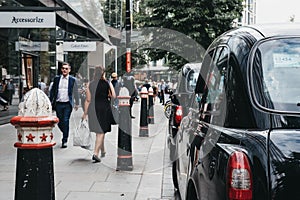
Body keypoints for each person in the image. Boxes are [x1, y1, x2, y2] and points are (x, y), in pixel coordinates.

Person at [82, 66, 116, 163]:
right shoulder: (107, 83)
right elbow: (113, 95)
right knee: (101, 132)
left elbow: (88, 100)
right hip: (104, 108)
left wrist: (85, 113)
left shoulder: (90, 84)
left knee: (99, 131)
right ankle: (95, 153)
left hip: (93, 108)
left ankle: (103, 150)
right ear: (103, 73)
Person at [49, 62, 79, 148]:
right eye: (63, 68)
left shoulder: (73, 80)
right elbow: (53, 91)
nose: (64, 70)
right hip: (58, 103)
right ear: (61, 69)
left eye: (66, 69)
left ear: (69, 70)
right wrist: (50, 102)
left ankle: (65, 139)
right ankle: (65, 131)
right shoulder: (57, 79)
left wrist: (77, 103)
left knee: (65, 121)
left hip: (67, 104)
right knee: (59, 122)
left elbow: (75, 92)